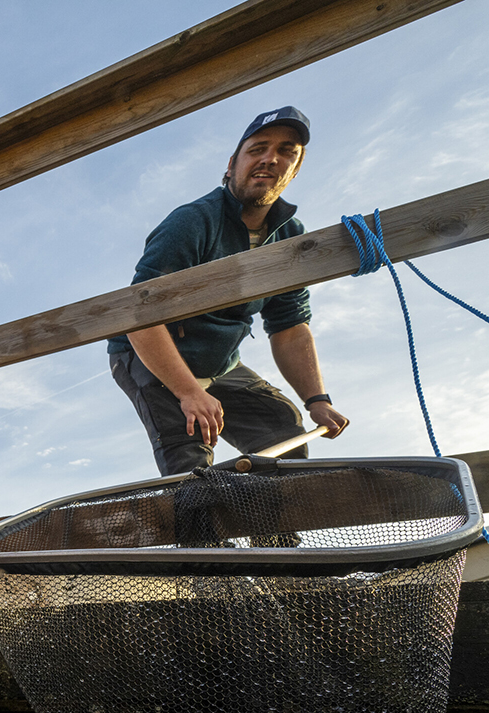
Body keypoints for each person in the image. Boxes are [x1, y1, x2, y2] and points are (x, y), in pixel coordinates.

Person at [107, 106, 349, 476]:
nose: (270, 158)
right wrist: (189, 393)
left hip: (221, 361)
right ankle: (202, 532)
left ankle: (274, 534)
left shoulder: (289, 237)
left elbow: (289, 325)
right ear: (232, 163)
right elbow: (139, 315)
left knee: (283, 426)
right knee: (191, 448)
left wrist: (317, 399)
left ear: (295, 169)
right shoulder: (192, 221)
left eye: (286, 151)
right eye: (258, 149)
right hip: (151, 349)